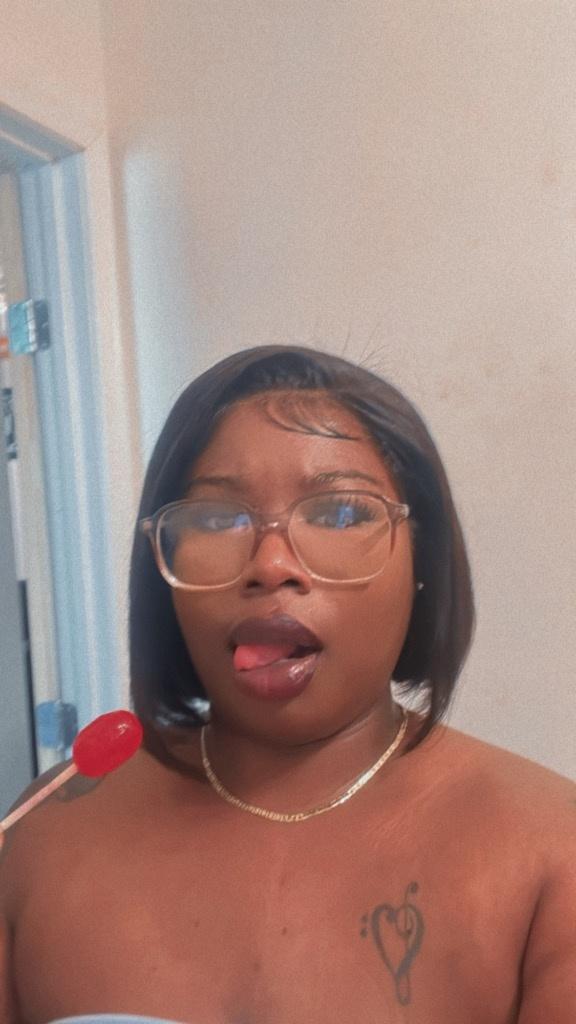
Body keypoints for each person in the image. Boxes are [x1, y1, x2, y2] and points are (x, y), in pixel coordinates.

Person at [1, 344, 574, 1024]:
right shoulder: (42, 833)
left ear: (422, 561)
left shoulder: (551, 854)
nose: (271, 564)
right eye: (217, 517)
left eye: (339, 513)